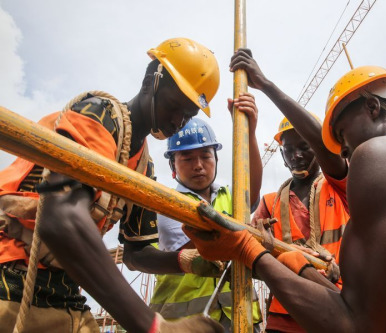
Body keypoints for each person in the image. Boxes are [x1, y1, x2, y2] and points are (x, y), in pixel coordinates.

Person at [183, 62, 386, 332]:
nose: (343, 150)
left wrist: (248, 252)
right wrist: (296, 261)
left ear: (372, 107)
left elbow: (356, 325)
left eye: (342, 135)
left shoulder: (381, 158)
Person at [0, 37, 224, 333]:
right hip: (12, 272)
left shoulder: (144, 167)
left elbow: (136, 253)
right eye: (174, 106)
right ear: (149, 82)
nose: (177, 121)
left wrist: (185, 260)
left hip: (64, 286)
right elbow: (60, 219)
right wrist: (153, 326)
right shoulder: (99, 114)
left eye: (188, 114)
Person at [231, 49, 349, 332]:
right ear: (282, 157)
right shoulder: (271, 203)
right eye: (289, 150)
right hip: (287, 314)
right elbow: (250, 258)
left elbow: (329, 152)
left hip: (341, 304)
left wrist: (266, 85)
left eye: (304, 146)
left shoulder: (342, 186)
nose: (296, 155)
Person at [123, 101, 263, 331]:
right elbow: (205, 245)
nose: (198, 165)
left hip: (239, 318)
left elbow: (252, 191)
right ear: (173, 166)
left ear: (216, 159)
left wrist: (249, 132)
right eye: (187, 158)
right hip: (185, 322)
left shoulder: (230, 195)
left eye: (206, 156)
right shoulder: (166, 204)